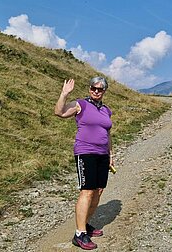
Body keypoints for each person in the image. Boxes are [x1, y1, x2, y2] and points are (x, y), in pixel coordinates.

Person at [54, 76, 114, 250]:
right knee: (87, 191)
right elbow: (59, 112)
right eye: (93, 88)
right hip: (85, 152)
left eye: (100, 89)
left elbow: (108, 134)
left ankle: (85, 224)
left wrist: (111, 154)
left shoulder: (106, 110)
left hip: (102, 154)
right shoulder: (81, 104)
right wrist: (64, 94)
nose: (96, 91)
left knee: (98, 191)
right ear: (89, 89)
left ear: (104, 91)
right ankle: (79, 234)